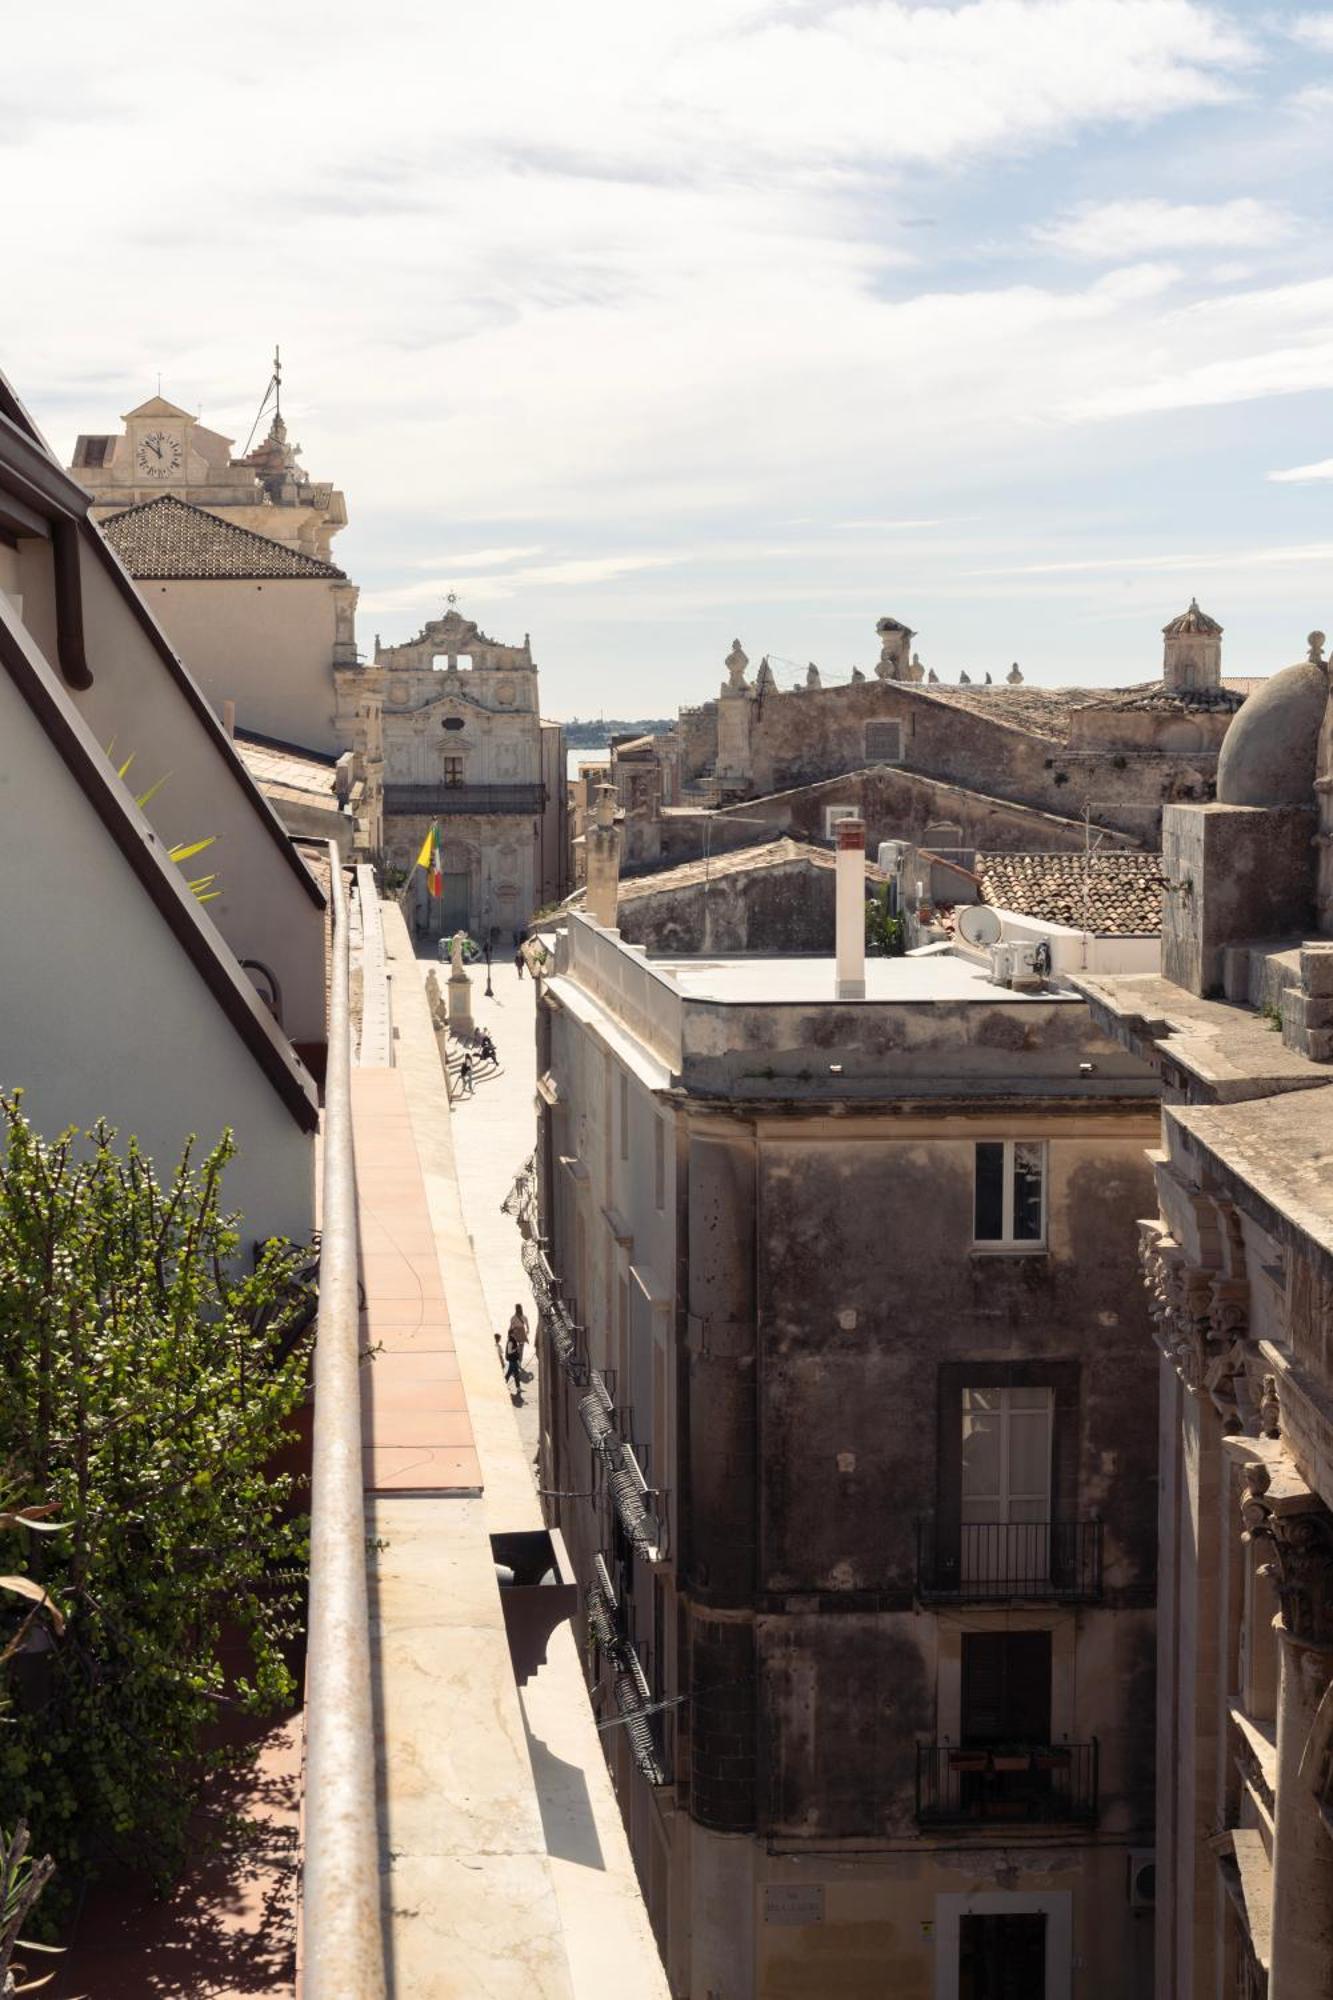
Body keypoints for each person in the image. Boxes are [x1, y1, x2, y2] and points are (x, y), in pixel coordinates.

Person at [504, 1307, 528, 1398]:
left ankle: (517, 1387)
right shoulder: (511, 1341)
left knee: (512, 1373)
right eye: (514, 1333)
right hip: (512, 1359)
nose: (515, 1333)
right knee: (512, 1373)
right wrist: (516, 1349)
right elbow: (510, 1351)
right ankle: (515, 1387)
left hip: (513, 1359)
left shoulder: (513, 1339)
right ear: (511, 1334)